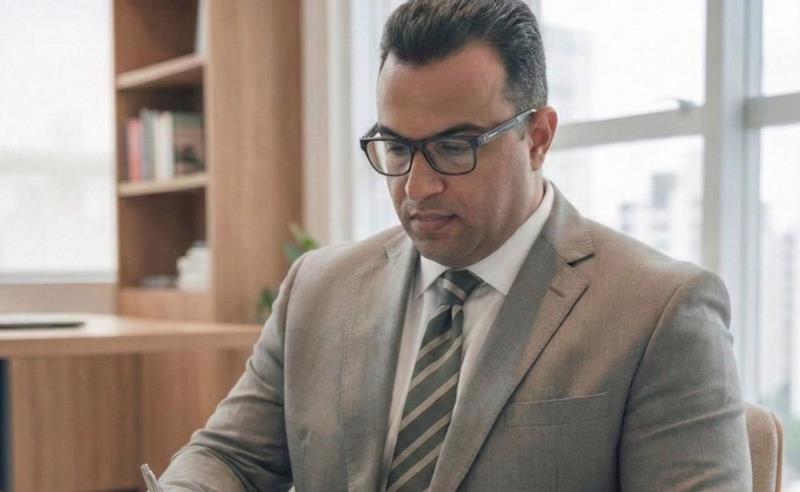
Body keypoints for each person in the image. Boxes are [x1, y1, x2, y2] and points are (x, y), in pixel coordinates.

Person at [160, 0, 752, 490]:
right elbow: (230, 458)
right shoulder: (317, 289)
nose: (417, 186)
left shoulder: (659, 311)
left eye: (454, 148)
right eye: (397, 148)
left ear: (537, 138)